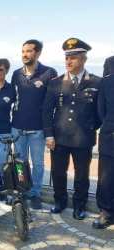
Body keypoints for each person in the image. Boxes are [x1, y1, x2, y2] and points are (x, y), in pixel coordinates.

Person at [43, 38, 101, 220]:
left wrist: (91, 127)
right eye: (67, 58)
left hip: (83, 138)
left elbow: (100, 112)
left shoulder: (96, 82)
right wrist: (49, 135)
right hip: (59, 138)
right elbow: (46, 111)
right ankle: (60, 202)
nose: (68, 61)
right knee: (58, 173)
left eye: (73, 58)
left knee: (81, 176)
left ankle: (79, 206)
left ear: (84, 59)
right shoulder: (56, 83)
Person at [10, 40, 58, 209]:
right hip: (17, 128)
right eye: (23, 51)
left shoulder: (49, 73)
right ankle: (22, 191)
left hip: (38, 129)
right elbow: (11, 97)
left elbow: (52, 103)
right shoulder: (16, 74)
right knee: (20, 164)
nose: (25, 54)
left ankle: (35, 193)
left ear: (38, 53)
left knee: (38, 164)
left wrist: (50, 130)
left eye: (29, 51)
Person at [93, 73, 114, 229]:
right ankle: (106, 212)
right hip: (110, 137)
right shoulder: (107, 81)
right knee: (106, 177)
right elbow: (101, 110)